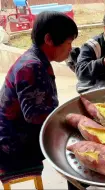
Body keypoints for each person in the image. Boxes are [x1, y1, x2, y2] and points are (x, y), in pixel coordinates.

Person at [0, 11, 77, 178]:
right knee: (75, 149)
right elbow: (35, 116)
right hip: (12, 147)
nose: (70, 48)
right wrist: (70, 117)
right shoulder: (31, 67)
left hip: (18, 134)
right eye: (68, 42)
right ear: (49, 39)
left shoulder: (37, 59)